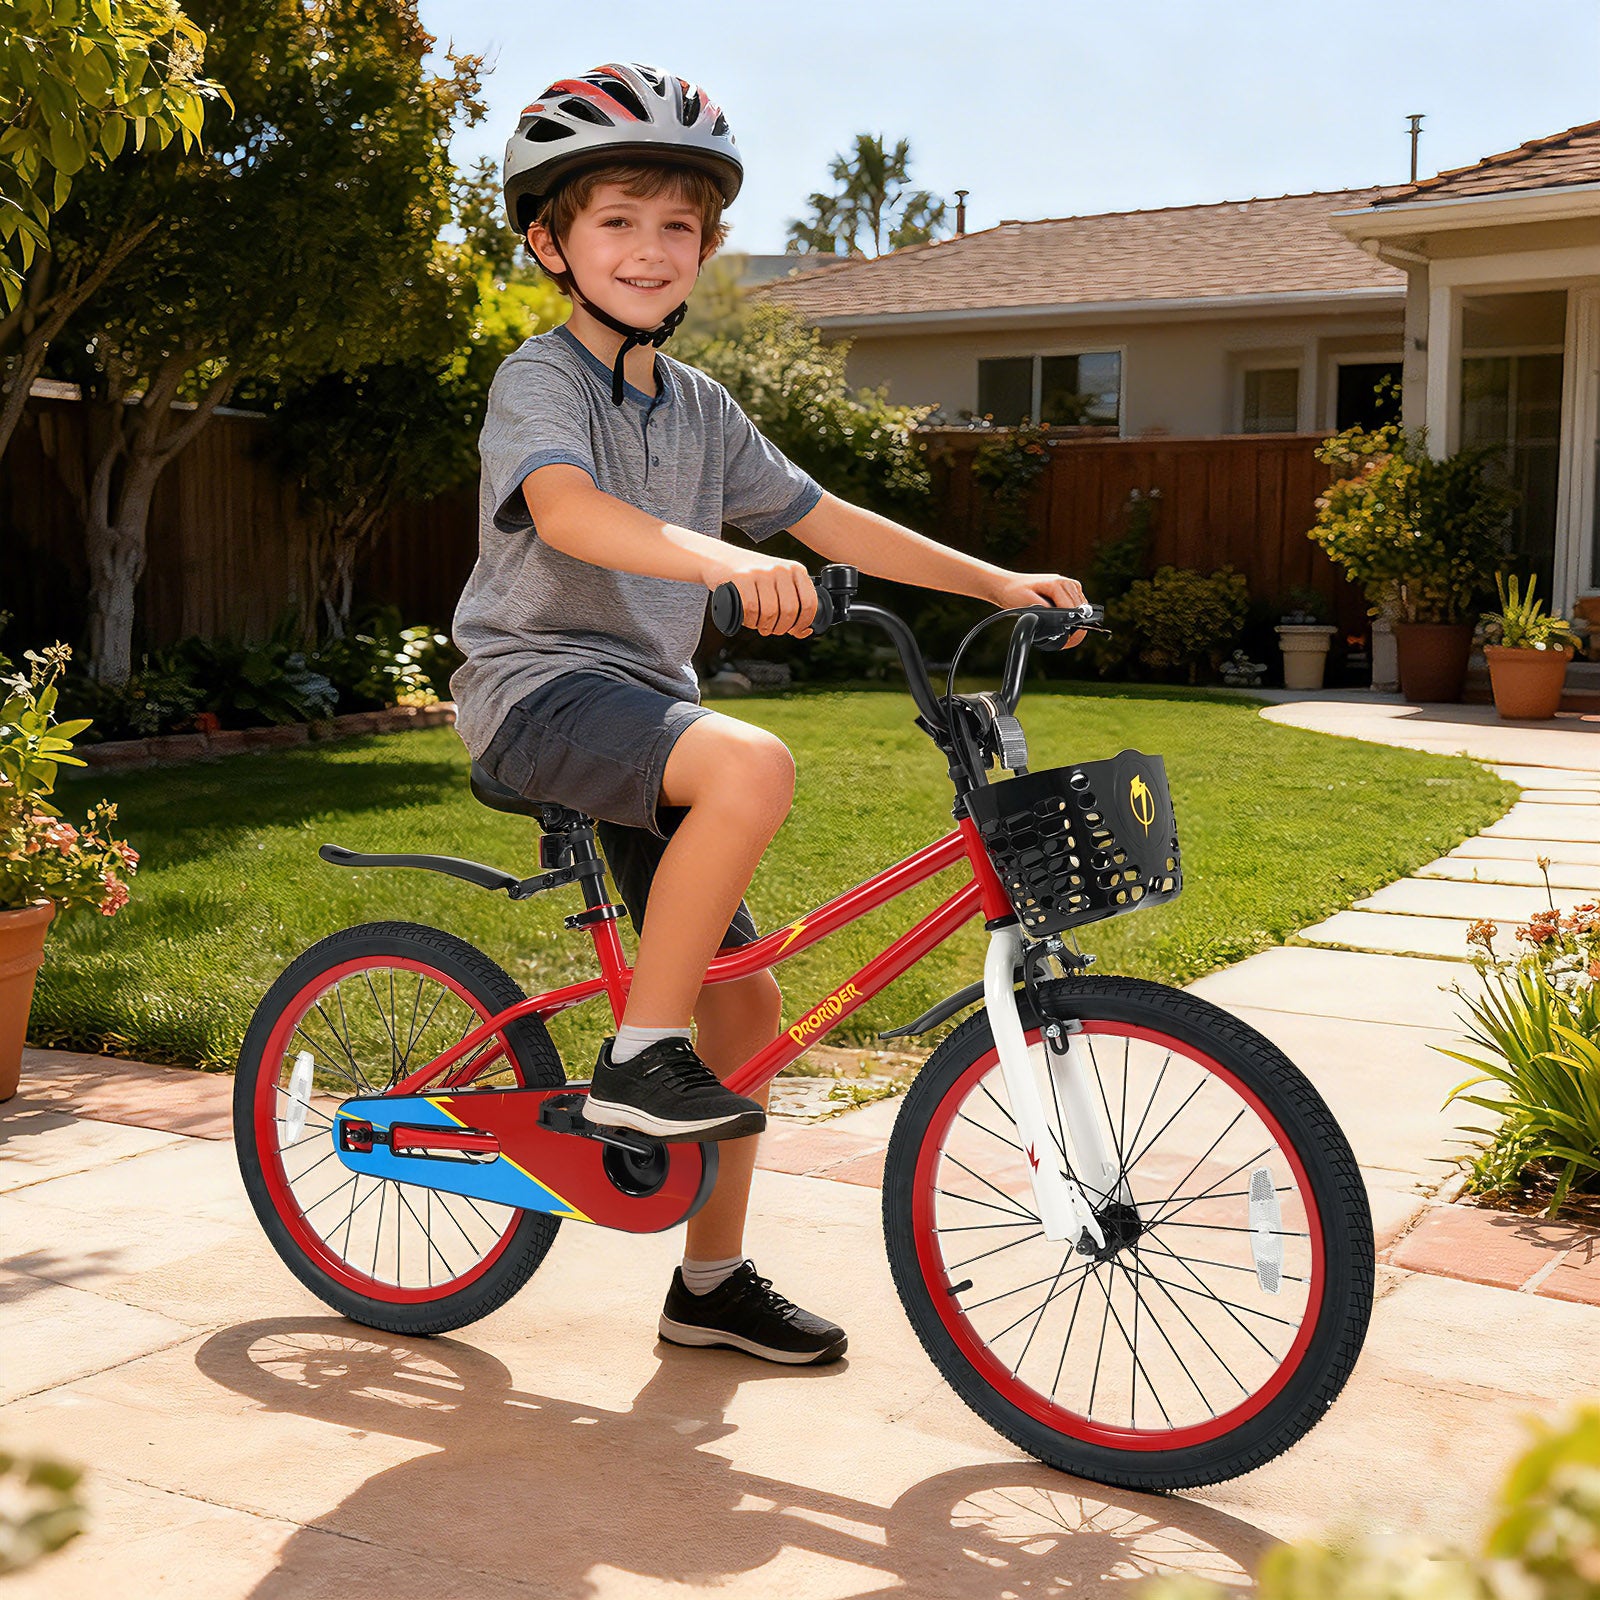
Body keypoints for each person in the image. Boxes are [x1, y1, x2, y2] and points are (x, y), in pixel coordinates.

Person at [450, 63, 1088, 1365]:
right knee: (751, 764)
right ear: (548, 239)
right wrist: (725, 563)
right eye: (616, 219)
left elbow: (824, 518)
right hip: (536, 694)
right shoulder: (541, 380)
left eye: (675, 225)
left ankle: (709, 1284)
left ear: (706, 249)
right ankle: (636, 1061)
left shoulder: (698, 407)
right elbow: (569, 511)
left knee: (744, 1014)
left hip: (640, 716)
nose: (648, 248)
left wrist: (995, 580)